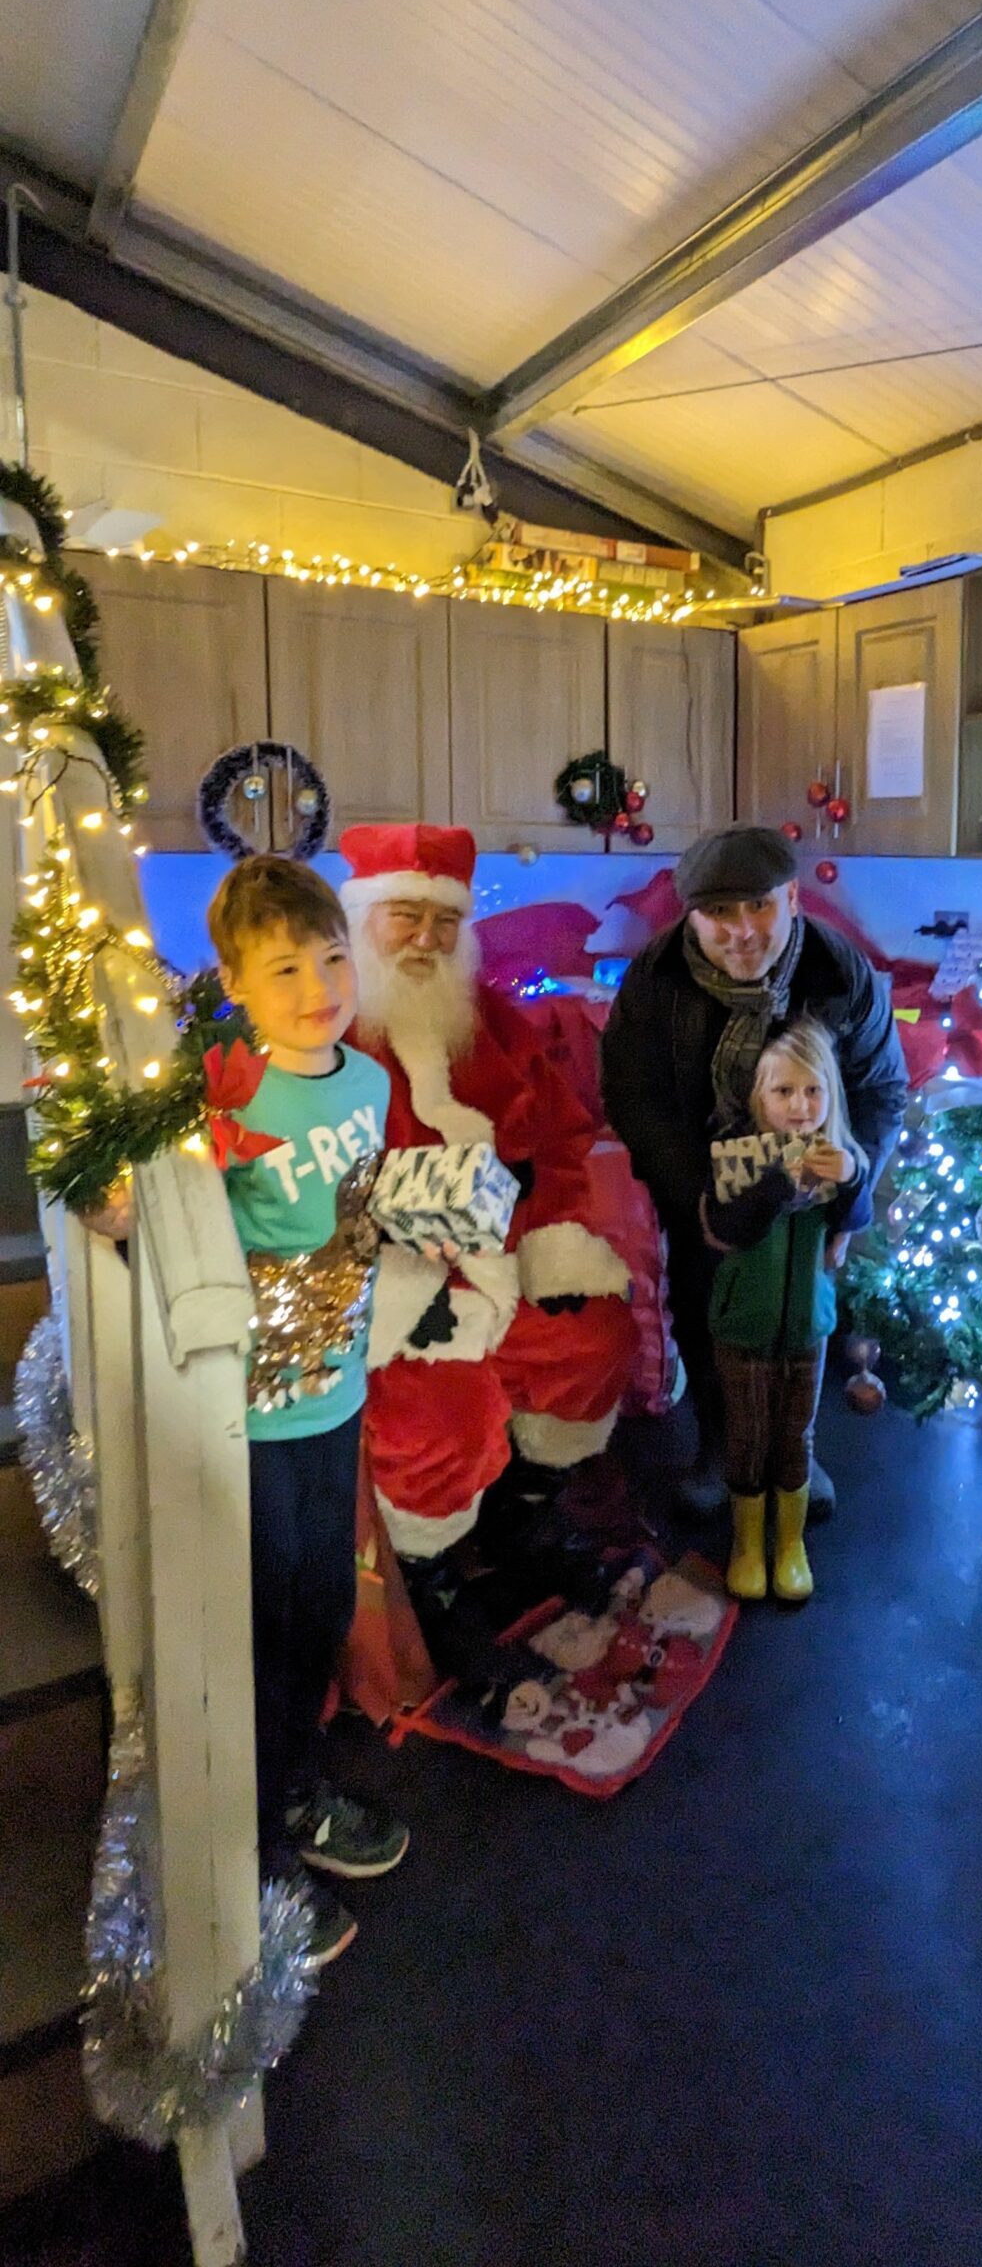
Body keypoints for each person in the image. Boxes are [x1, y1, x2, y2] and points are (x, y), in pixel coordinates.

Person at [207, 854, 411, 1969]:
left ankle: (292, 1794)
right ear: (235, 981)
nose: (317, 986)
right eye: (283, 967)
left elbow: (358, 1217)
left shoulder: (368, 1084)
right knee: (259, 1624)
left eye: (332, 957)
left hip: (335, 1395)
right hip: (248, 1412)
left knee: (323, 1605)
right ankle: (248, 1850)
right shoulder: (227, 1090)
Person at [338, 823, 635, 1575]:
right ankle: (427, 1566)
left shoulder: (496, 1024)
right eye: (406, 915)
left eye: (445, 920)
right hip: (395, 1296)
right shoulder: (327, 1033)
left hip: (504, 1261)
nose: (426, 938)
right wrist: (398, 1285)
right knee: (440, 1420)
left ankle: (529, 1505)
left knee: (595, 1338)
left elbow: (562, 1137)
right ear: (364, 918)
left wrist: (554, 1237)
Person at [600, 824, 908, 1518]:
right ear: (692, 916)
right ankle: (720, 1448)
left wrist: (850, 1187)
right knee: (706, 1317)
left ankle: (794, 1454)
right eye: (719, 912)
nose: (742, 931)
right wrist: (695, 1199)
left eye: (759, 906)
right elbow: (631, 1093)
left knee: (802, 1325)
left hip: (811, 1197)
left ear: (792, 898)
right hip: (702, 1185)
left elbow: (882, 1088)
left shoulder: (839, 972)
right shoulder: (656, 977)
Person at [705, 1021, 873, 1602]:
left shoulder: (838, 1153)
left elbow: (855, 1219)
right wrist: (777, 1186)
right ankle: (748, 1543)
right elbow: (728, 1227)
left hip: (808, 1326)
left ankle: (790, 1542)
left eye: (812, 1091)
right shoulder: (737, 1154)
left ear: (830, 1095)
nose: (800, 1106)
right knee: (747, 1436)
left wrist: (851, 1178)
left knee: (796, 1435)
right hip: (743, 1326)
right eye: (784, 1092)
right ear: (760, 1096)